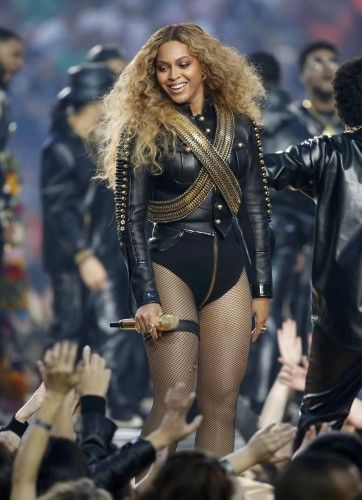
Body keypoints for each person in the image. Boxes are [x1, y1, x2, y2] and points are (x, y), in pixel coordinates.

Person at [97, 23, 273, 457]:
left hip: (231, 271)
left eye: (182, 64)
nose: (172, 75)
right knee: (174, 401)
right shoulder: (142, 129)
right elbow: (130, 223)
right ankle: (131, 488)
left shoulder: (243, 124)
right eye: (161, 68)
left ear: (205, 67)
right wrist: (146, 295)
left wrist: (264, 288)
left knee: (221, 405)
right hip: (169, 265)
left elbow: (256, 211)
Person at [41, 63, 146, 425]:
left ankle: (107, 407)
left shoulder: (97, 144)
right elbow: (60, 211)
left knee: (109, 330)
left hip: (102, 255)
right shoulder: (61, 149)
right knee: (70, 330)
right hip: (74, 259)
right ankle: (52, 408)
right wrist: (83, 256)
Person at [266, 55, 362, 448]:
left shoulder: (330, 152)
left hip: (339, 316)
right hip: (336, 318)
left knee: (319, 420)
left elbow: (259, 168)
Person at [241, 52, 311, 411]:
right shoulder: (296, 124)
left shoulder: (232, 121)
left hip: (241, 230)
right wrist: (304, 241)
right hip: (285, 231)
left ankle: (234, 394)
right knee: (274, 312)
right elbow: (305, 187)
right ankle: (264, 395)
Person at [291, 40, 344, 137]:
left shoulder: (354, 118)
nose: (327, 68)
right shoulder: (292, 118)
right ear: (303, 75)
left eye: (333, 62)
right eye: (318, 62)